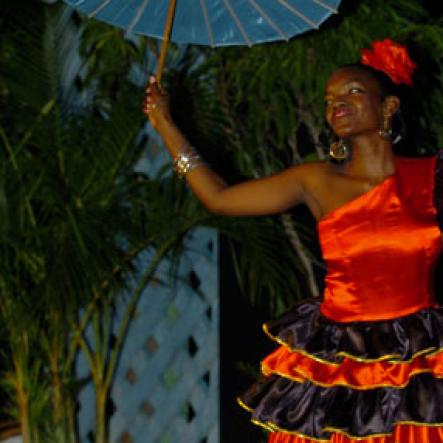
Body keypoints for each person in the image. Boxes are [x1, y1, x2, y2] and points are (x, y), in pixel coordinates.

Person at [143, 39, 443, 443]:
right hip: (341, 361)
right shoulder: (315, 180)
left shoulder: (430, 176)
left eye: (352, 91)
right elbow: (219, 199)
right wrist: (165, 126)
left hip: (422, 356)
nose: (336, 103)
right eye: (330, 98)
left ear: (389, 106)